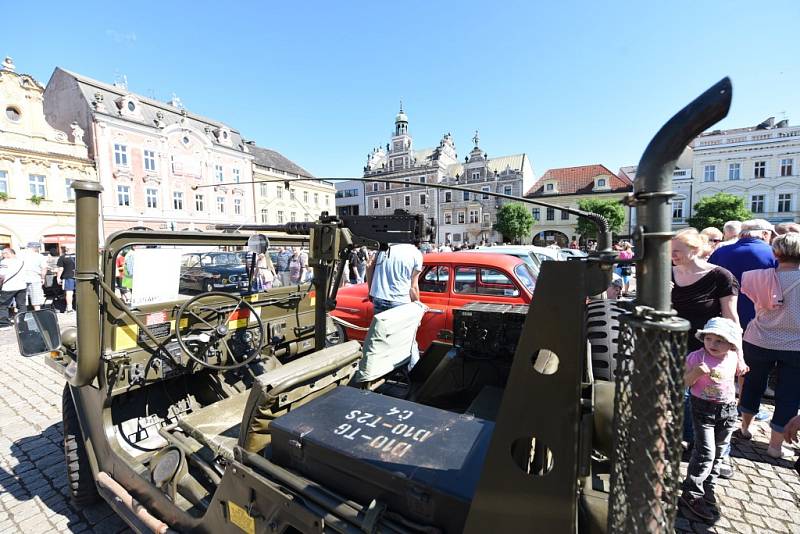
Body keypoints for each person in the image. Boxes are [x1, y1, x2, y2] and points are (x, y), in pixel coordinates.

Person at [737, 232, 800, 459]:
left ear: (775, 252)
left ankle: (745, 428)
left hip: (759, 338)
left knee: (752, 384)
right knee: (789, 394)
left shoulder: (756, 277)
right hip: (795, 344)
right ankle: (775, 445)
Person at [680, 317, 747, 521]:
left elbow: (739, 375)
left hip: (727, 411)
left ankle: (708, 487)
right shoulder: (695, 357)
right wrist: (696, 373)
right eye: (709, 339)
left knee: (718, 452)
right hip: (702, 409)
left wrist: (740, 399)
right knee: (705, 452)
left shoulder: (733, 356)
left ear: (731, 344)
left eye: (719, 341)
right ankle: (692, 494)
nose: (712, 344)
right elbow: (684, 382)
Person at [709, 219, 777, 330]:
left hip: (724, 317)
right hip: (763, 318)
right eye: (770, 235)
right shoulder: (774, 254)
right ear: (764, 234)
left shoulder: (720, 253)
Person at [366, 242, 424, 367]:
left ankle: (376, 373)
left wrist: (371, 290)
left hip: (379, 297)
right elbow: (413, 287)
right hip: (401, 301)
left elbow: (369, 266)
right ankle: (415, 374)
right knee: (408, 341)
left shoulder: (384, 248)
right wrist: (418, 306)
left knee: (380, 340)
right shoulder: (416, 254)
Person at [0, 247, 28, 328]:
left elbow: (2, 275)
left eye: (3, 253)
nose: (2, 255)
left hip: (9, 286)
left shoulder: (4, 262)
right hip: (21, 285)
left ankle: (4, 323)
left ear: (9, 253)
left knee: (3, 305)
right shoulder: (21, 261)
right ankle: (23, 322)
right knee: (21, 305)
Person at [22, 242, 47, 311]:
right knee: (36, 300)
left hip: (22, 279)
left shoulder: (21, 255)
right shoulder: (40, 256)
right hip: (35, 278)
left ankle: (20, 316)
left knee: (21, 300)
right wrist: (43, 278)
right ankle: (37, 315)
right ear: (36, 248)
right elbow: (44, 268)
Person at [56, 246, 76, 313]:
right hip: (79, 277)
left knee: (69, 292)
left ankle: (69, 309)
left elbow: (61, 269)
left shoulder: (62, 258)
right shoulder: (79, 256)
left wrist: (58, 277)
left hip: (68, 277)